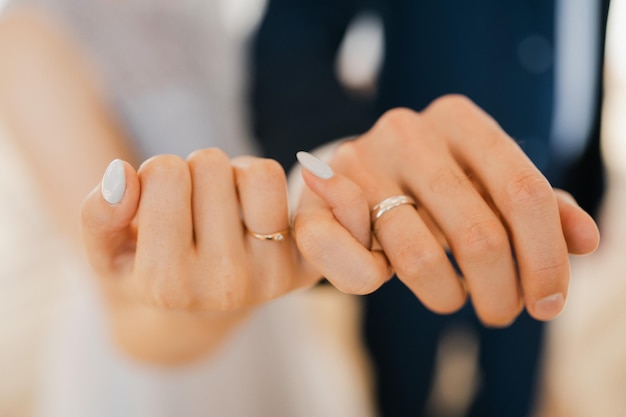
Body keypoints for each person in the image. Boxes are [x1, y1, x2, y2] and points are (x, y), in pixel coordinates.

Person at [0, 1, 601, 416]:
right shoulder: (28, 33)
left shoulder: (207, 10)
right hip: (174, 348)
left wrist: (322, 176)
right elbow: (131, 314)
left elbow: (284, 100)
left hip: (281, 304)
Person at [251, 1, 610, 416]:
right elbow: (294, 31)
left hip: (550, 211)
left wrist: (588, 182)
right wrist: (340, 168)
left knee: (514, 391)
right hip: (408, 214)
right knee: (404, 389)